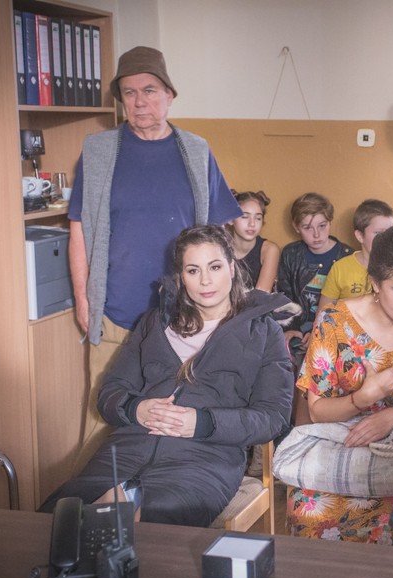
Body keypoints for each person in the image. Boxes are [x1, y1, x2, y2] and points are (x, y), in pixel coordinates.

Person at [42, 225, 294, 526]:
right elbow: (110, 393)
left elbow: (273, 417)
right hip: (128, 448)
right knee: (57, 518)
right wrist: (137, 409)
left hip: (205, 459)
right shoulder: (154, 323)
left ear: (232, 267)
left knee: (151, 526)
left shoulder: (264, 332)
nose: (205, 280)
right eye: (192, 270)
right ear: (181, 277)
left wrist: (201, 423)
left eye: (214, 267)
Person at [67, 46, 242, 471]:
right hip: (115, 316)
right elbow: (79, 231)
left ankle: (161, 521)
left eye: (149, 90)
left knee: (174, 426)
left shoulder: (196, 151)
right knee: (102, 422)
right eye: (129, 93)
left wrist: (222, 302)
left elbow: (220, 235)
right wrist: (84, 303)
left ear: (169, 95)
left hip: (185, 320)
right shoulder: (98, 152)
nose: (139, 101)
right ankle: (93, 517)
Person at [275, 225, 393, 544]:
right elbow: (315, 414)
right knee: (311, 515)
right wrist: (362, 399)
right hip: (337, 461)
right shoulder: (334, 322)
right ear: (375, 282)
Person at [277, 192, 353, 369]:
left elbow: (350, 309)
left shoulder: (347, 257)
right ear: (296, 227)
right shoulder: (291, 254)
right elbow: (285, 296)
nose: (317, 234)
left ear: (330, 222)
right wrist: (291, 329)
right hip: (299, 330)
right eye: (307, 228)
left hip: (334, 332)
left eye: (322, 226)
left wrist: (318, 334)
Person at [317, 198, 393, 310]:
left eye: (391, 233)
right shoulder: (340, 269)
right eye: (378, 233)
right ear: (360, 236)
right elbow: (322, 313)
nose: (386, 240)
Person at [228, 190, 281, 292]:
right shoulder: (220, 250)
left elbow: (261, 297)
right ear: (231, 219)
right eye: (245, 217)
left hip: (259, 307)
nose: (252, 224)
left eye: (258, 218)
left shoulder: (269, 250)